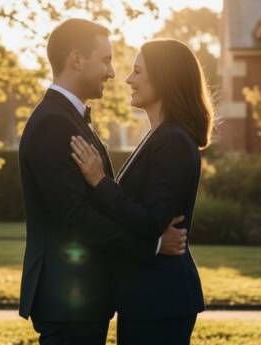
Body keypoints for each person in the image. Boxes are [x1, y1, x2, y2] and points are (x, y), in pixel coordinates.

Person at [18, 19, 188, 345]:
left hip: (80, 299)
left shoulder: (68, 119)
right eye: (106, 60)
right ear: (76, 59)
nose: (112, 73)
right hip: (67, 299)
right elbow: (76, 217)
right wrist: (152, 245)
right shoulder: (53, 124)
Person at [70, 38, 211, 344]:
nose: (128, 79)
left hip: (160, 299)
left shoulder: (173, 141)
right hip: (148, 296)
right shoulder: (160, 135)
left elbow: (151, 221)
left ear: (163, 77)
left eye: (137, 71)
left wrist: (99, 181)